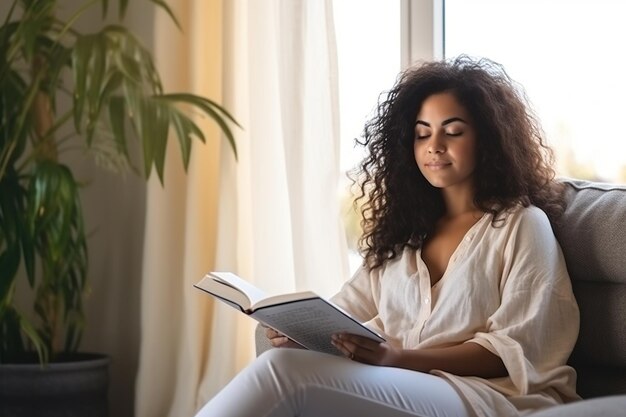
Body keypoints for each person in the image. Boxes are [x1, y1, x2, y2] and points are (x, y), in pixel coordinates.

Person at [194, 56, 580, 417]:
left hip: (486, 394)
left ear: (488, 139)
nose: (435, 146)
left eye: (453, 131)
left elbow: (515, 349)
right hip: (404, 382)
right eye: (422, 133)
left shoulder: (522, 225)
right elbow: (344, 312)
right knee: (283, 361)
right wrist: (298, 332)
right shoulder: (404, 236)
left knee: (283, 372)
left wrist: (397, 358)